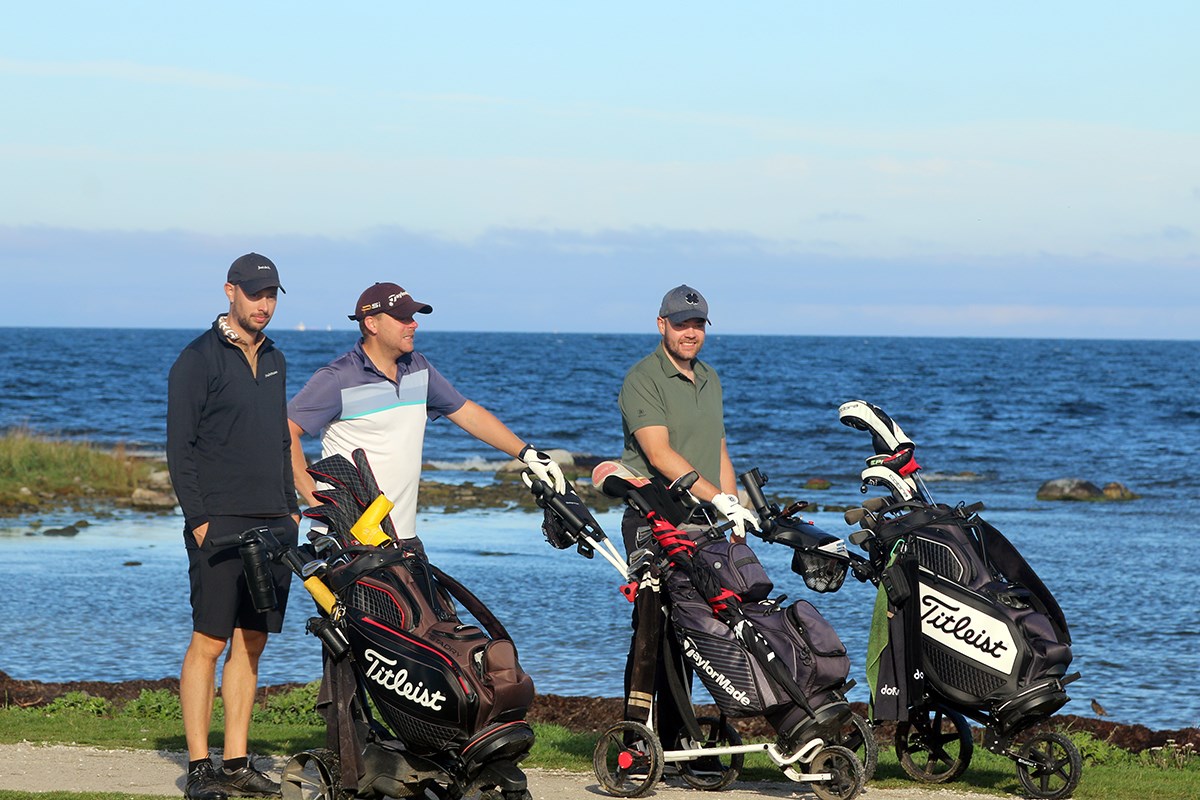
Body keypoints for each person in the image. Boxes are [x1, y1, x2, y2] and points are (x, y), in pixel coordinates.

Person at [287, 281, 565, 546]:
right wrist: (317, 502)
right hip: (350, 540)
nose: (414, 324)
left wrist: (527, 454)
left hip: (403, 537)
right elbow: (285, 430)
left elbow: (466, 413)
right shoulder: (338, 377)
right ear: (371, 324)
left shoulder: (417, 367)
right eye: (403, 318)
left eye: (413, 317)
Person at [167, 253, 300, 800]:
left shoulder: (276, 359)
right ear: (230, 292)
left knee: (252, 641)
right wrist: (198, 520)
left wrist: (291, 507)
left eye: (271, 295)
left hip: (275, 520)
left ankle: (237, 761)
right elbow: (180, 448)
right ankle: (200, 768)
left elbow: (278, 437)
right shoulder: (196, 361)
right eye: (255, 294)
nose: (264, 304)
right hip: (218, 525)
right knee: (209, 640)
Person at [616, 283, 758, 753]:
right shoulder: (643, 378)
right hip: (652, 516)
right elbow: (658, 454)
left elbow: (718, 450)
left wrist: (734, 510)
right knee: (653, 632)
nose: (690, 333)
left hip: (703, 519)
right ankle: (636, 739)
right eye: (681, 324)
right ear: (662, 325)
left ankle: (678, 741)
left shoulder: (710, 378)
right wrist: (719, 499)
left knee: (698, 630)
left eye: (697, 325)